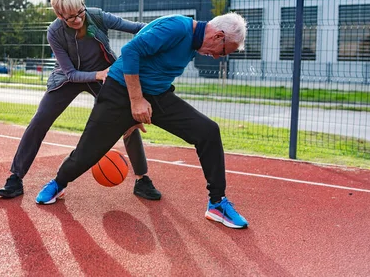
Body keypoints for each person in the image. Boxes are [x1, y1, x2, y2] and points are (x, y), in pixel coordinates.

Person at [35, 12, 249, 229]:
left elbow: (159, 68)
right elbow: (130, 51)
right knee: (87, 153)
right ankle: (58, 183)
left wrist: (139, 111)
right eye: (223, 52)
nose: (216, 57)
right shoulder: (177, 27)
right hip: (120, 92)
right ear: (218, 36)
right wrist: (135, 102)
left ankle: (217, 203)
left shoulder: (195, 43)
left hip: (157, 96)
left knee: (208, 131)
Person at [0, 0, 161, 201]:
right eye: (70, 17)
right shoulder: (54, 32)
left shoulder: (97, 17)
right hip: (69, 79)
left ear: (83, 5)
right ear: (59, 15)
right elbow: (71, 73)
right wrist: (98, 74)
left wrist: (167, 30)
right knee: (39, 121)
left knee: (127, 121)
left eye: (80, 13)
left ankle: (142, 179)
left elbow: (135, 27)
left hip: (105, 75)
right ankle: (15, 178)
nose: (78, 19)